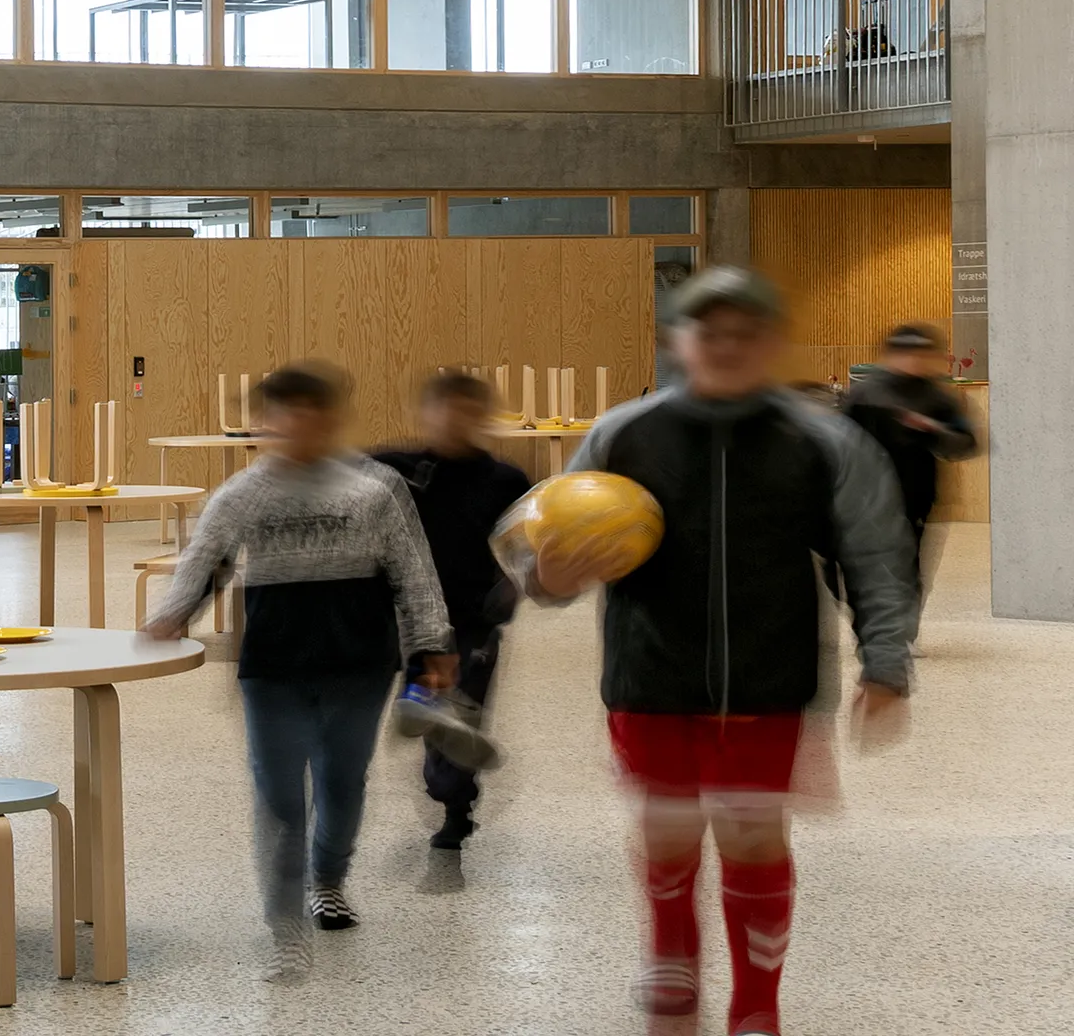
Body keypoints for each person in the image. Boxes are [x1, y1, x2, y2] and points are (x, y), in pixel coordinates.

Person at [533, 267, 916, 1036]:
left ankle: (755, 1007)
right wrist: (548, 577)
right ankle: (671, 957)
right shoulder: (621, 433)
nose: (728, 346)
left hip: (766, 680)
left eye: (747, 333)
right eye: (710, 332)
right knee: (667, 830)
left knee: (749, 835)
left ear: (771, 343)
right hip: (648, 675)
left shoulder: (822, 440)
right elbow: (546, 553)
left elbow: (874, 555)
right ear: (679, 340)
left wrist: (885, 662)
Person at [142, 362, 453, 983]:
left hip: (359, 665)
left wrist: (432, 650)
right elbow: (205, 560)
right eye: (282, 415)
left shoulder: (376, 487)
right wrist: (173, 615)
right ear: (265, 425)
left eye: (310, 412)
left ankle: (329, 880)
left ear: (332, 419)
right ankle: (285, 929)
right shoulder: (243, 493)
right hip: (273, 669)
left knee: (342, 783)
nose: (296, 425)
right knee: (279, 797)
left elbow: (415, 574)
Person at [373, 369, 530, 853]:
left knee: (462, 712)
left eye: (467, 412)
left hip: (474, 620)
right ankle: (447, 785)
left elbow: (527, 545)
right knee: (430, 707)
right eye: (445, 410)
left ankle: (455, 804)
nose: (455, 422)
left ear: (482, 417)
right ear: (427, 414)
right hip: (415, 620)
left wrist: (510, 589)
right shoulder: (395, 468)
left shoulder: (505, 480)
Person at [842, 323, 978, 585]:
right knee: (866, 580)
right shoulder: (865, 393)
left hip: (914, 502)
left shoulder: (937, 397)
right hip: (865, 502)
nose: (912, 359)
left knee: (907, 578)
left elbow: (967, 443)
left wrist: (931, 428)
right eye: (905, 352)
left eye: (920, 353)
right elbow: (840, 444)